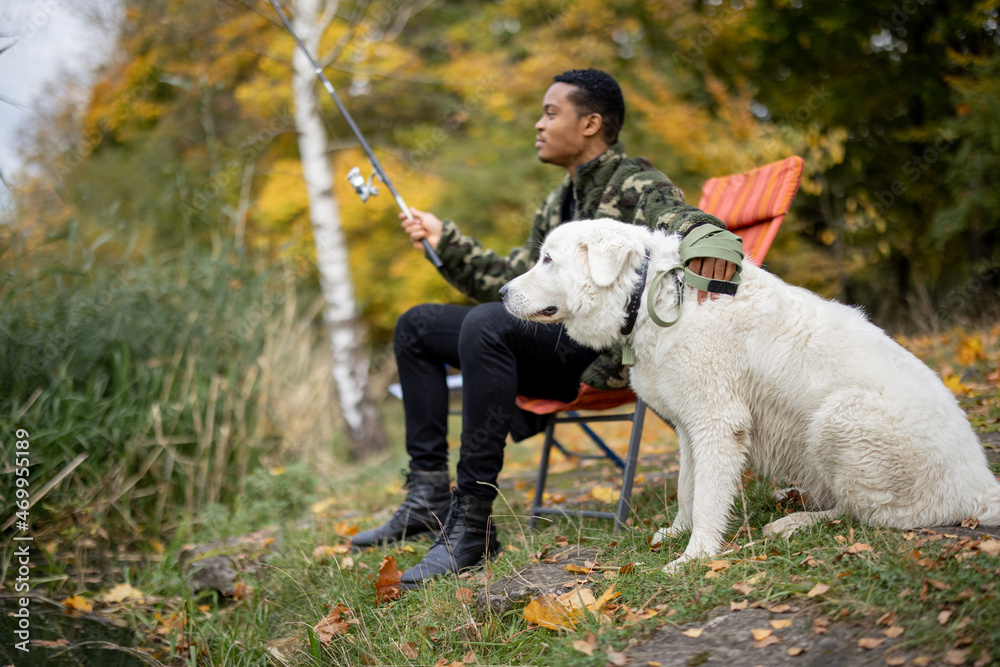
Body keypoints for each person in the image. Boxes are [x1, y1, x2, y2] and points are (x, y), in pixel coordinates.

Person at [349, 68, 738, 589]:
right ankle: (426, 499)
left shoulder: (635, 181)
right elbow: (514, 285)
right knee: (417, 325)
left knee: (488, 325)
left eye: (551, 113)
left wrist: (712, 236)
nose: (538, 124)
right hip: (552, 344)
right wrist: (446, 240)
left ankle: (471, 524)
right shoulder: (559, 202)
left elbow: (680, 219)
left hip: (599, 357)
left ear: (591, 123)